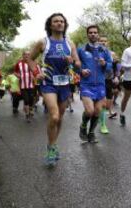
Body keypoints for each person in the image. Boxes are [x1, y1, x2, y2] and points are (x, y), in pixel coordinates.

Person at [28, 13, 80, 166]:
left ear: (65, 24)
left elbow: (77, 62)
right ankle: (50, 147)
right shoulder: (43, 42)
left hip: (64, 83)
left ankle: (54, 143)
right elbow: (30, 59)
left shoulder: (70, 43)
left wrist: (73, 61)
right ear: (50, 25)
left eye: (62, 21)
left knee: (61, 117)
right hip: (48, 82)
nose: (59, 23)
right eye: (56, 21)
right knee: (55, 115)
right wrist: (37, 73)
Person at [78, 25, 112, 142]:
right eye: (90, 32)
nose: (93, 34)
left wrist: (104, 64)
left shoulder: (104, 50)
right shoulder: (81, 49)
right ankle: (83, 126)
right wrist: (81, 71)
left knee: (97, 111)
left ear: (98, 34)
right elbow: (74, 64)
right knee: (90, 111)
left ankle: (91, 133)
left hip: (100, 85)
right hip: (86, 84)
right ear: (87, 35)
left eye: (95, 32)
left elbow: (110, 66)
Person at [97, 36, 119, 134]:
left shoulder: (112, 54)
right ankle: (102, 120)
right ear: (98, 42)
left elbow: (116, 67)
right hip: (99, 79)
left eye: (105, 41)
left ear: (108, 42)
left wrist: (116, 76)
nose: (103, 43)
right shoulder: (95, 52)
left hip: (109, 78)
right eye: (101, 41)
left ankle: (108, 112)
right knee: (103, 100)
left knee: (109, 99)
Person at [15, 51, 37, 122]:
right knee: (26, 100)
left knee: (31, 99)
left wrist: (34, 76)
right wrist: (17, 75)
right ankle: (27, 115)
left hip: (31, 85)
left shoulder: (32, 62)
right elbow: (15, 72)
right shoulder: (19, 63)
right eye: (25, 54)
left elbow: (36, 72)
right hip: (23, 86)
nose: (27, 56)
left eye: (28, 54)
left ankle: (30, 109)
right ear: (23, 55)